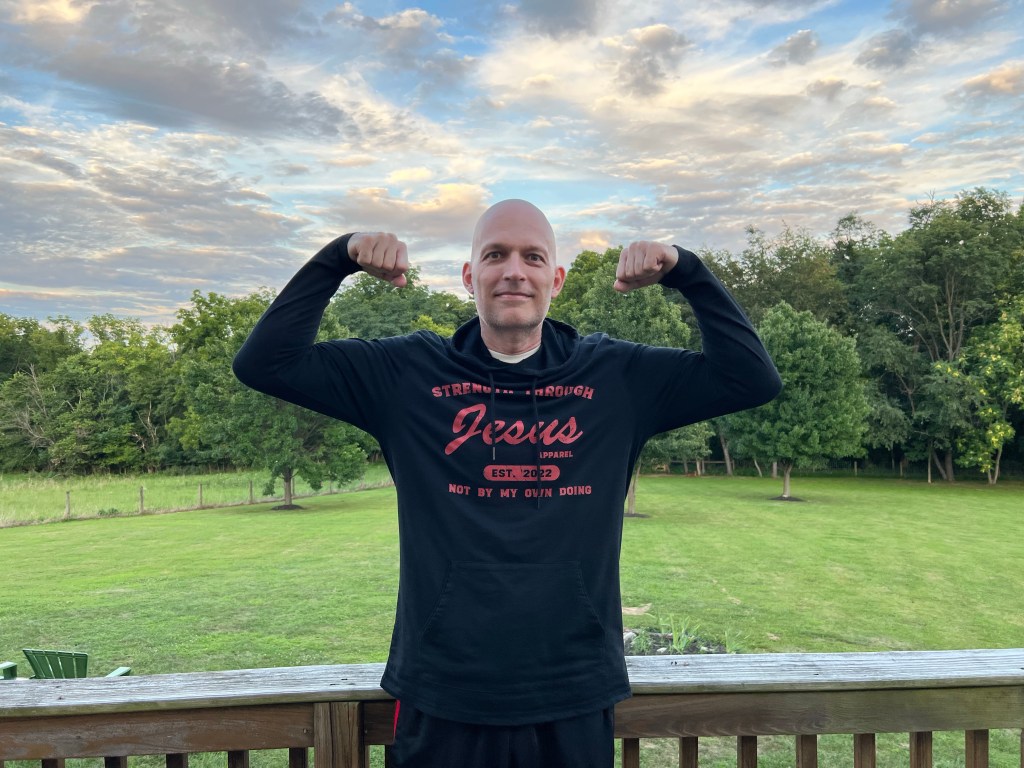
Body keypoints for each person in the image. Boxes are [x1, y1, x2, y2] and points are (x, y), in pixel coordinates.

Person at [233, 199, 781, 767]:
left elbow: (751, 378)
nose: (514, 271)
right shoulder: (406, 374)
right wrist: (338, 258)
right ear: (469, 276)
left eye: (532, 257)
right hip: (442, 688)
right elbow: (265, 363)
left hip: (573, 688)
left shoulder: (617, 376)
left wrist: (686, 270)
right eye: (495, 255)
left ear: (556, 280)